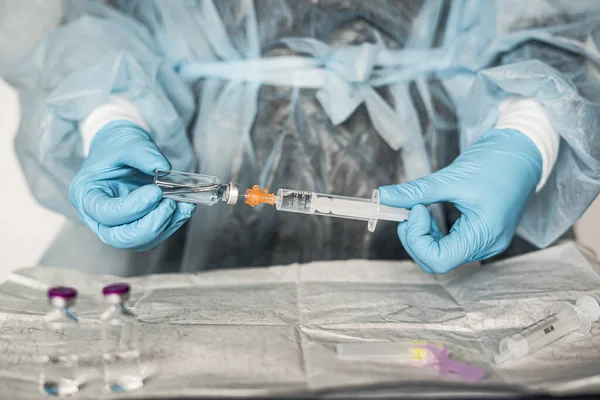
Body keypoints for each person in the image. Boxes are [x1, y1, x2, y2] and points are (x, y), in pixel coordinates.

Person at [1, 0, 599, 276]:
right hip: (186, 244)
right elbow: (102, 24)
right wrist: (113, 117)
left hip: (452, 179)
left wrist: (528, 135)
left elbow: (557, 26)